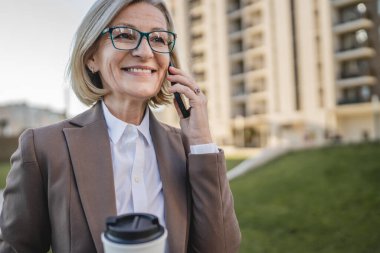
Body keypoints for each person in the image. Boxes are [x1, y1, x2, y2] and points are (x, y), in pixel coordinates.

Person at [0, 0, 241, 252]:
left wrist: (201, 142)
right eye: (125, 35)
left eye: (158, 39)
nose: (146, 52)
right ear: (91, 58)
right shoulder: (42, 148)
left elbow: (221, 248)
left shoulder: (188, 149)